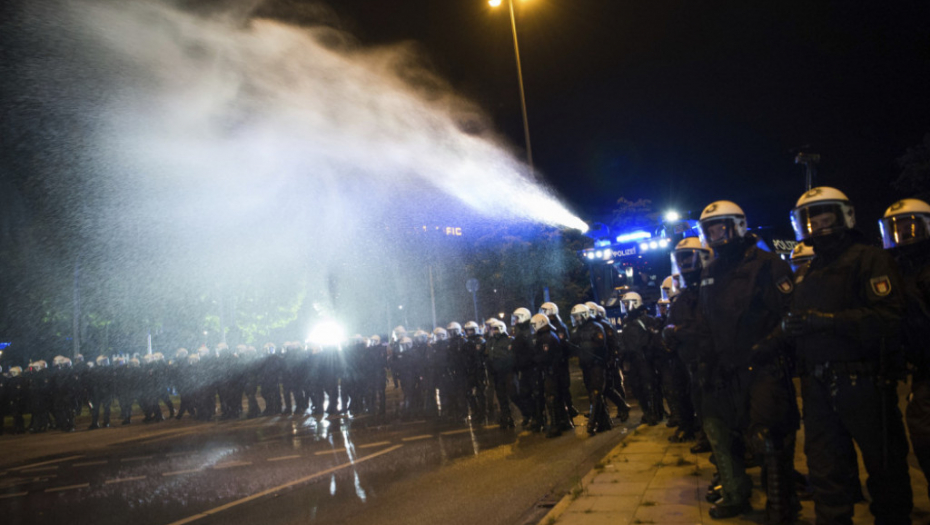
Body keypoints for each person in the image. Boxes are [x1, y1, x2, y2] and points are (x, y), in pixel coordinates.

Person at [697, 199, 799, 522]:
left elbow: (790, 316)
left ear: (738, 226)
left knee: (769, 437)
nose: (716, 234)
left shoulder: (768, 265)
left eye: (721, 227)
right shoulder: (711, 271)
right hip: (727, 371)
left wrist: (766, 347)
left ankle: (782, 507)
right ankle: (738, 496)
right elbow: (707, 322)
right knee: (731, 435)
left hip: (764, 367)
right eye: (710, 229)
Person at [881, 197, 930, 502]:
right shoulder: (902, 270)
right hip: (921, 369)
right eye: (898, 228)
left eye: (910, 227)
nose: (904, 234)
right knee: (923, 439)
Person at [567, 304, 612, 435]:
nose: (575, 319)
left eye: (577, 316)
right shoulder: (578, 330)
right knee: (593, 394)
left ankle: (592, 423)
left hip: (597, 365)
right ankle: (605, 422)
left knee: (596, 394)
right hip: (586, 366)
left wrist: (585, 346)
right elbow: (573, 346)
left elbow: (600, 346)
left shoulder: (596, 327)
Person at [619, 292, 662, 426]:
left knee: (649, 386)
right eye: (625, 304)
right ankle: (647, 412)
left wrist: (650, 354)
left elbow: (654, 340)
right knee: (636, 387)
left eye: (628, 303)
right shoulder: (626, 321)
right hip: (632, 360)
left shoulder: (647, 319)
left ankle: (655, 413)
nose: (626, 306)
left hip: (645, 359)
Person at [530, 313, 570, 437]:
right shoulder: (547, 335)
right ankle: (563, 422)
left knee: (552, 399)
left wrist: (534, 359)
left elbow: (545, 356)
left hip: (551, 372)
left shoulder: (546, 337)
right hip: (552, 371)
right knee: (555, 398)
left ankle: (555, 426)